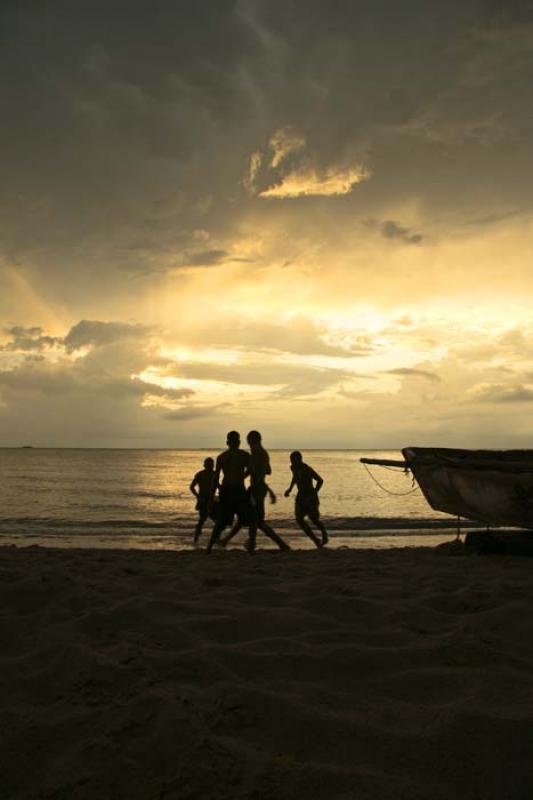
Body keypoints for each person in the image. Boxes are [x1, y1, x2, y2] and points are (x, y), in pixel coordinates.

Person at [221, 430, 290, 552]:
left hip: (256, 489)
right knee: (247, 517)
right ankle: (231, 541)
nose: (248, 445)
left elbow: (254, 471)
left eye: (249, 442)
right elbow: (268, 470)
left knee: (256, 521)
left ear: (253, 441)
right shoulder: (263, 453)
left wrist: (241, 477)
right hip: (258, 488)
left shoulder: (257, 453)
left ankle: (279, 544)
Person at [206, 431, 253, 554]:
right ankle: (249, 547)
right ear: (238, 442)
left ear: (227, 442)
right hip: (236, 489)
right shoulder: (244, 455)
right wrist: (242, 476)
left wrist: (211, 497)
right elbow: (252, 470)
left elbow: (215, 478)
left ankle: (210, 547)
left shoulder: (222, 457)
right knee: (245, 518)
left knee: (223, 521)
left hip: (227, 489)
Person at [284, 451, 328, 547]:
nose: (292, 462)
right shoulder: (293, 467)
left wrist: (314, 494)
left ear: (300, 459)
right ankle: (315, 540)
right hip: (300, 496)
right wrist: (290, 489)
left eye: (294, 460)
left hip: (310, 496)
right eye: (291, 460)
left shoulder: (307, 469)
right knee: (299, 519)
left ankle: (324, 532)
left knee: (314, 519)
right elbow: (294, 477)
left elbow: (320, 480)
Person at [189, 457, 217, 544]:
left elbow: (217, 485)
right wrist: (198, 496)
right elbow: (192, 487)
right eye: (208, 465)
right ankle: (196, 539)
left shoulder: (215, 474)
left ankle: (215, 539)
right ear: (204, 465)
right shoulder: (200, 474)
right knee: (202, 520)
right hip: (203, 499)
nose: (210, 466)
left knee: (216, 520)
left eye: (211, 465)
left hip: (212, 499)